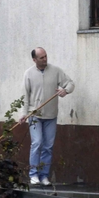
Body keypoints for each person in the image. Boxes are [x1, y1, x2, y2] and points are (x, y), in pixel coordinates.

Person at [22, 48, 74, 186]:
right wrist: (24, 113)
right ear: (34, 60)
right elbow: (25, 95)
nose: (45, 59)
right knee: (37, 142)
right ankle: (33, 174)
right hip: (35, 114)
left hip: (51, 115)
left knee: (48, 146)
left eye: (45, 56)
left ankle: (44, 175)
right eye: (41, 58)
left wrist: (65, 90)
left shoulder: (55, 71)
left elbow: (70, 83)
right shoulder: (28, 74)